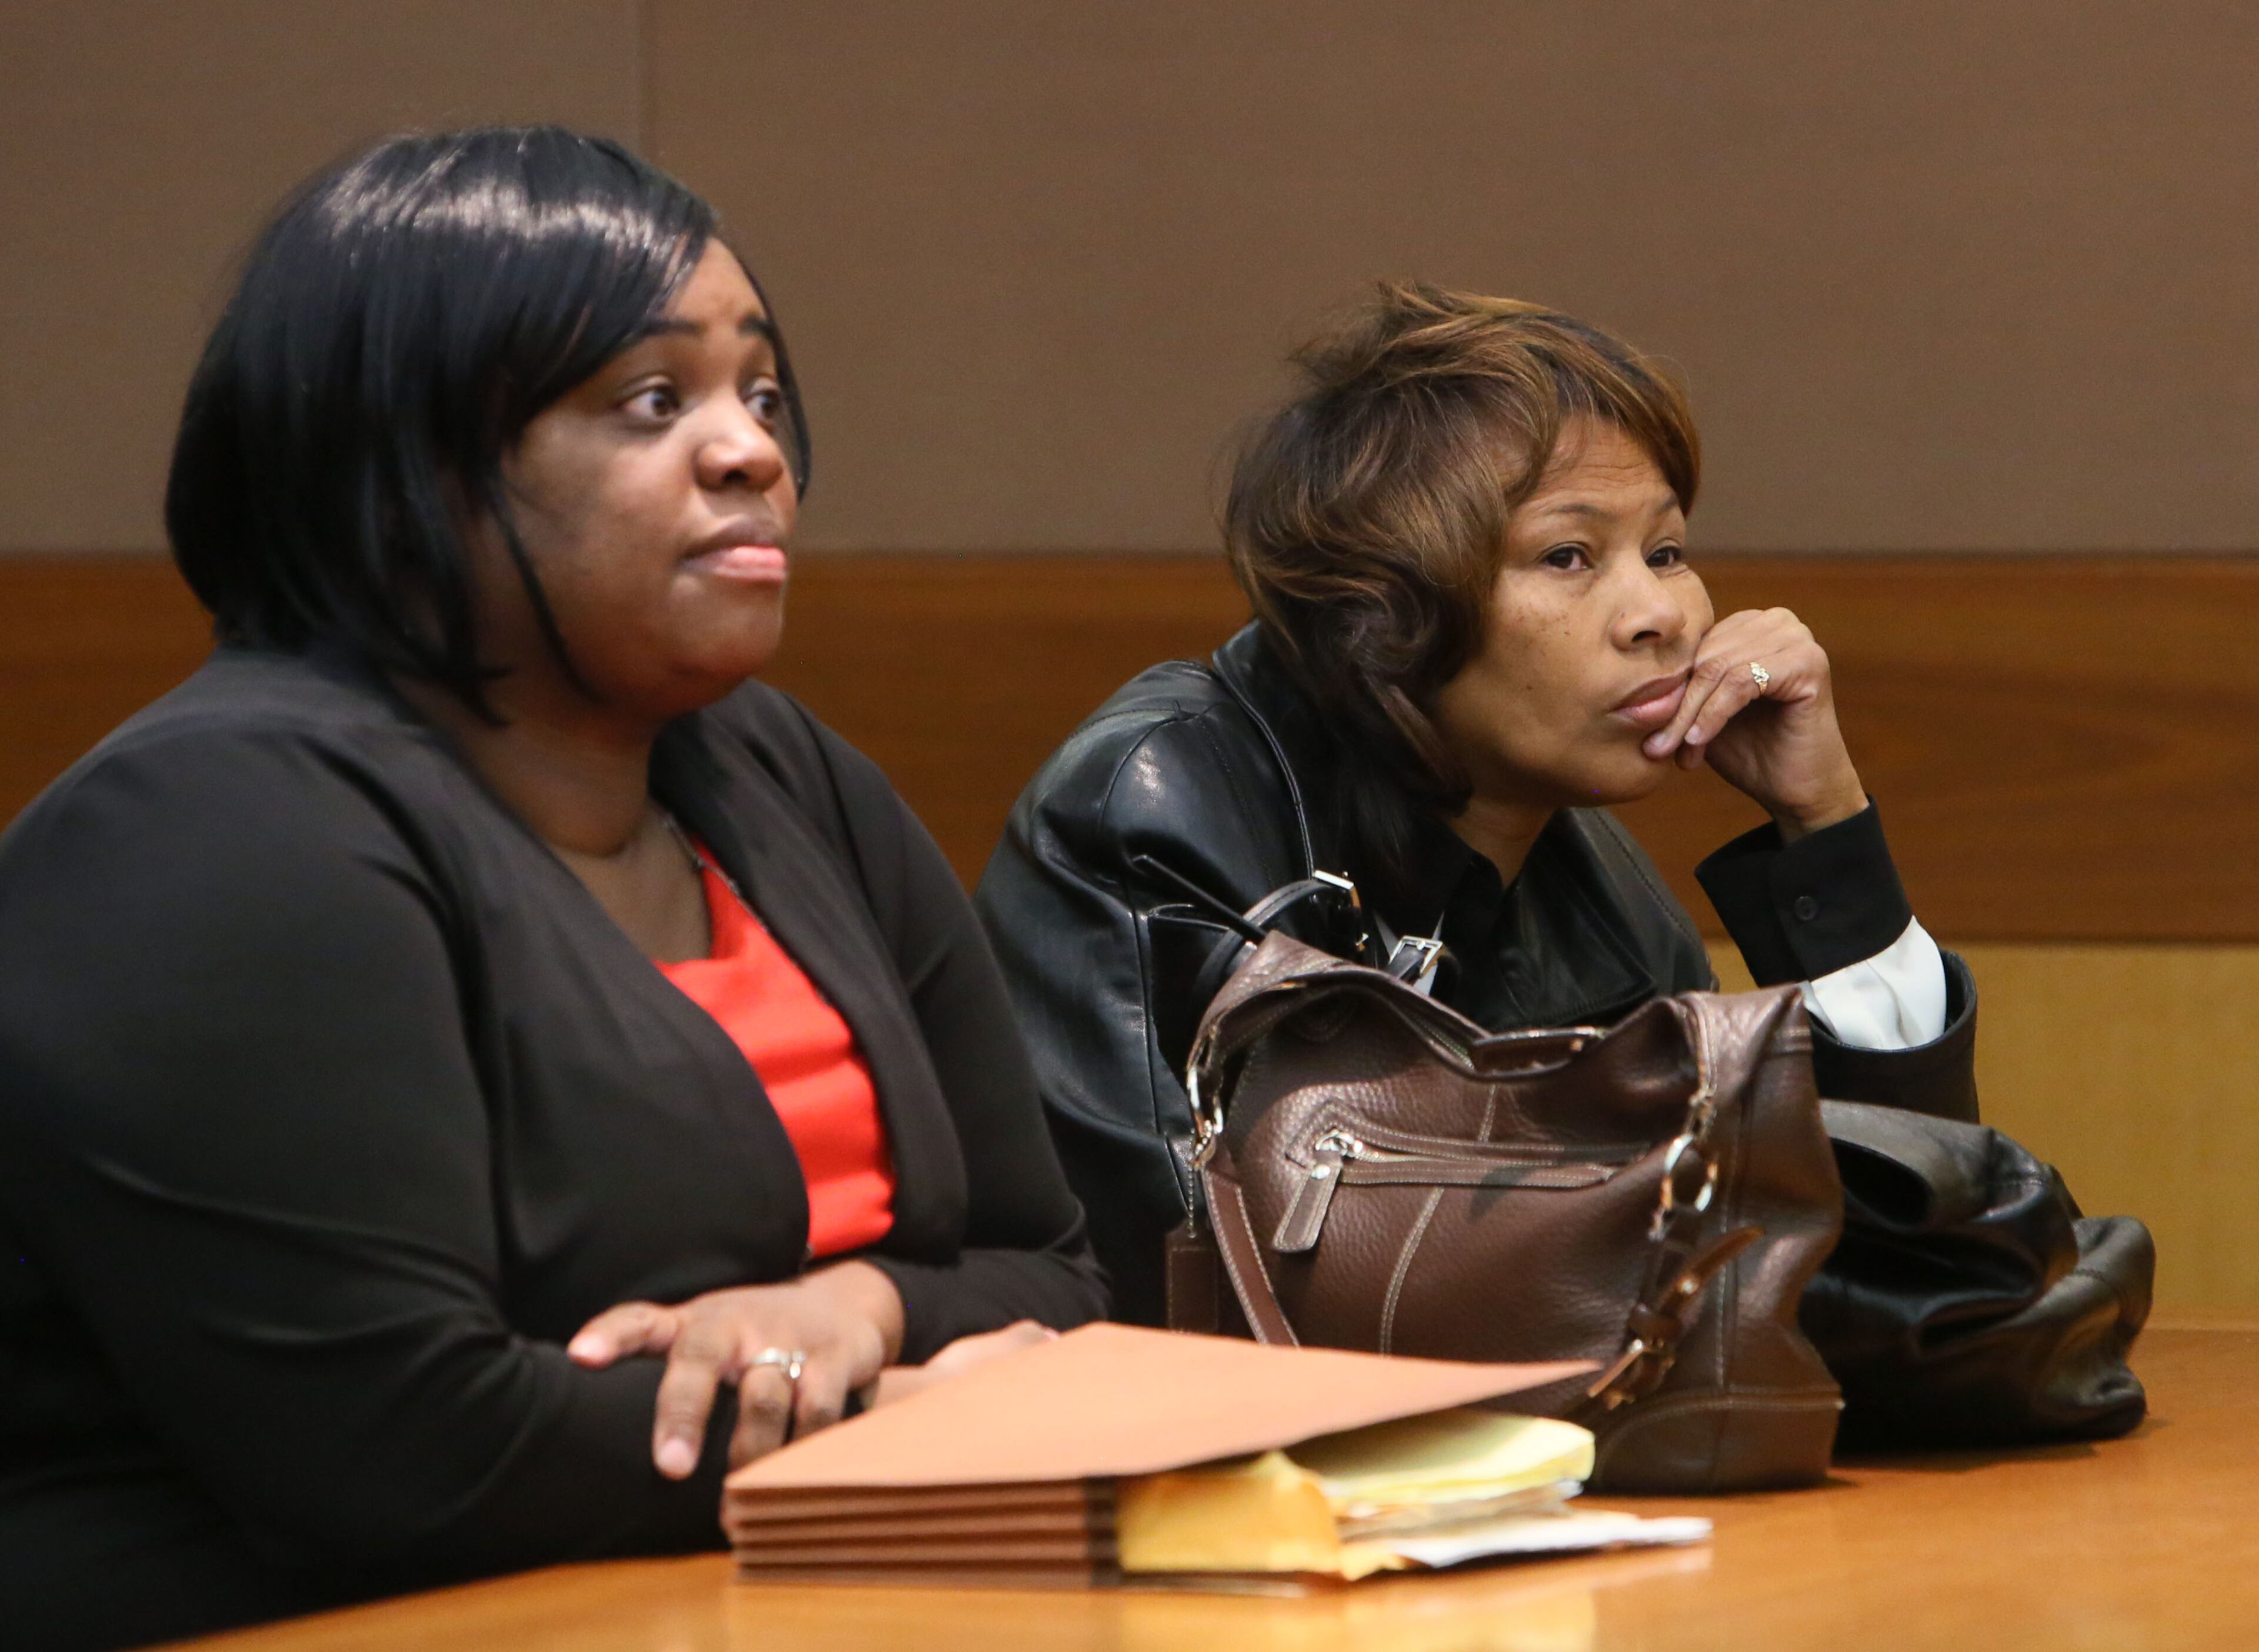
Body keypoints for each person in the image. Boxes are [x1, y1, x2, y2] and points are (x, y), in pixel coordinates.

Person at [0, 128, 1103, 1651]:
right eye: (654, 401)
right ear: (409, 462)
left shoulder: (778, 774)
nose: (751, 452)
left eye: (760, 392)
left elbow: (1049, 1273)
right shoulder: (204, 831)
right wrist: (916, 1428)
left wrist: (856, 1314)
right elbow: (400, 1453)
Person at [975, 284, 1976, 1327]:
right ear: (1386, 612)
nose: (1660, 616)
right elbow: (1178, 1305)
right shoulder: (1157, 814)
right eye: (1568, 556)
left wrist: (1828, 830)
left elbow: (1908, 1282)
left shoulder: (1596, 873)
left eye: (1668, 552)